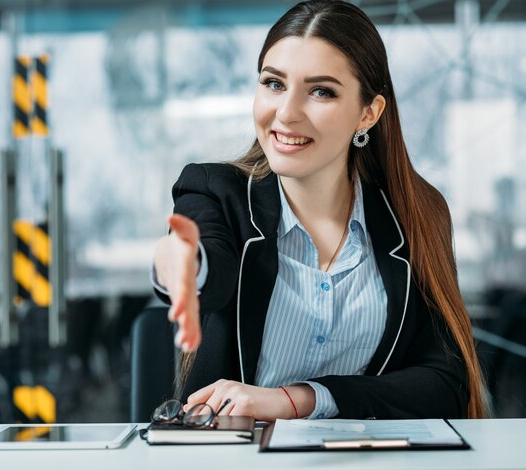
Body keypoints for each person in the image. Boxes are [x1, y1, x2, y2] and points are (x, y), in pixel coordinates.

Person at [152, 0, 486, 421]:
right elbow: (208, 270)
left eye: (321, 91)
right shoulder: (213, 190)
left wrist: (299, 399)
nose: (286, 113)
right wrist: (185, 264)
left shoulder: (417, 211)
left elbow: (445, 383)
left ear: (368, 113)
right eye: (274, 84)